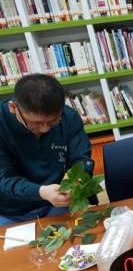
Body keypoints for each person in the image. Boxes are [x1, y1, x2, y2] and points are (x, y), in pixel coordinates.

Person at [0, 74, 95, 225]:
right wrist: (42, 192)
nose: (44, 129)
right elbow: (3, 180)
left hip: (56, 203)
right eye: (35, 123)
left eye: (52, 122)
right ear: (13, 107)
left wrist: (75, 181)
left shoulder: (68, 117)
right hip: (11, 210)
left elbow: (81, 158)